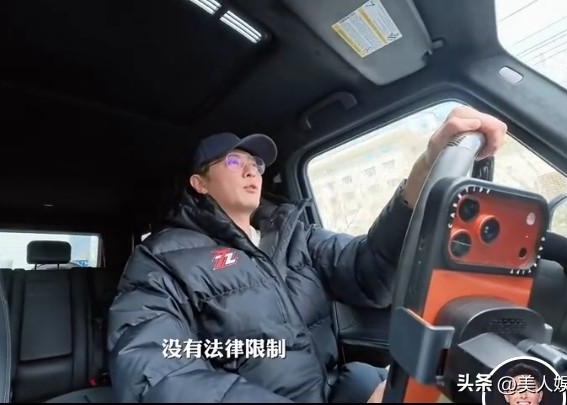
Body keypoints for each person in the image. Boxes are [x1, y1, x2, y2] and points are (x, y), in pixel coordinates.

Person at [107, 106, 508, 402]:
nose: (252, 170)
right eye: (233, 161)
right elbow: (157, 369)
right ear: (200, 183)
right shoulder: (161, 259)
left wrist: (426, 167)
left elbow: (369, 271)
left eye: (256, 163)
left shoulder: (296, 235)